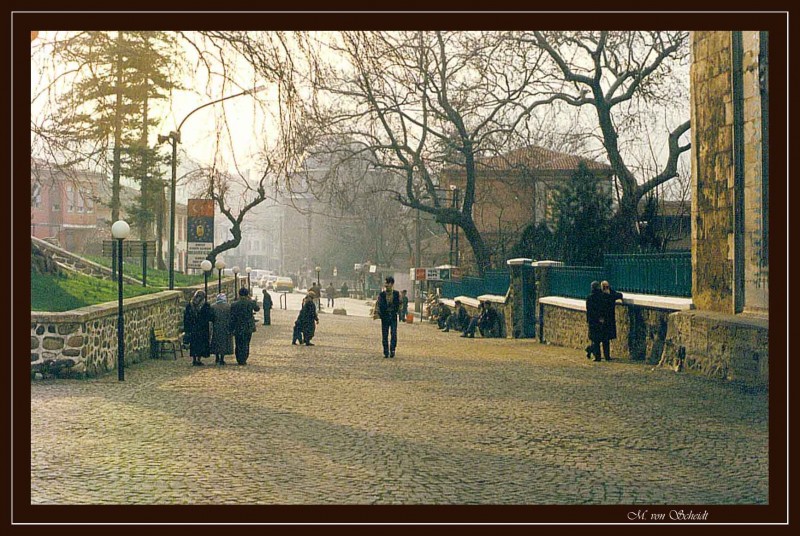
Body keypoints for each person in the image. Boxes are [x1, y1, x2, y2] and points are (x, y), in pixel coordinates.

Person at [230, 287, 260, 365]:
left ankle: (239, 358)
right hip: (248, 326)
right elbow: (257, 308)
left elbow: (232, 316)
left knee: (238, 343)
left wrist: (231, 327)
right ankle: (244, 358)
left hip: (238, 326)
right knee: (246, 343)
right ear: (247, 294)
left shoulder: (234, 304)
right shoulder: (250, 303)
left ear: (239, 294)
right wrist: (251, 299)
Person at [184, 290, 212, 366]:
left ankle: (194, 359)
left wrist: (187, 328)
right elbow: (209, 317)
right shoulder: (205, 305)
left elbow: (186, 318)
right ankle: (198, 359)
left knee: (193, 344)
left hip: (193, 328)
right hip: (202, 328)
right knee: (201, 344)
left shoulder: (190, 305)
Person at [598, 280, 624, 361]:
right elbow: (619, 295)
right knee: (602, 339)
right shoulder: (607, 295)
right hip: (605, 319)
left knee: (603, 339)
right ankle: (604, 355)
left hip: (605, 319)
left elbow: (619, 295)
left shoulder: (604, 295)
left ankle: (604, 355)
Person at [376, 276, 401, 358]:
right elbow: (378, 304)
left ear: (392, 284)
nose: (386, 285)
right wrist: (378, 313)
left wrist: (397, 311)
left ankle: (393, 349)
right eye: (385, 283)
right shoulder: (382, 295)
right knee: (385, 334)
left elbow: (400, 304)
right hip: (385, 317)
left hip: (393, 316)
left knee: (394, 333)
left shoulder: (396, 294)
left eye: (388, 283)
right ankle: (386, 350)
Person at [585, 281, 607, 362]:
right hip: (600, 319)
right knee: (599, 338)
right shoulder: (602, 296)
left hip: (592, 320)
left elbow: (589, 309)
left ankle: (594, 353)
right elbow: (603, 308)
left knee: (595, 339)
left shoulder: (590, 297)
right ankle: (593, 352)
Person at [209, 293, 233, 365]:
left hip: (216, 326)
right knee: (224, 342)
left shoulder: (213, 306)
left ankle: (217, 357)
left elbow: (211, 317)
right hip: (226, 326)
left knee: (216, 341)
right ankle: (222, 358)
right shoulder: (229, 306)